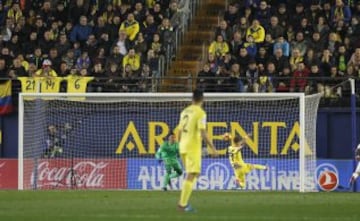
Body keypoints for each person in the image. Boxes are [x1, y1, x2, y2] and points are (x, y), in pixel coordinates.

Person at [177, 89, 218, 212]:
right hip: (192, 146)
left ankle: (184, 202)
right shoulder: (200, 113)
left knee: (194, 173)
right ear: (202, 100)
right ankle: (182, 204)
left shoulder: (184, 111)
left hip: (182, 146)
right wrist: (213, 148)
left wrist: (179, 144)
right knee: (192, 174)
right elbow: (203, 132)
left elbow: (178, 131)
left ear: (192, 99)